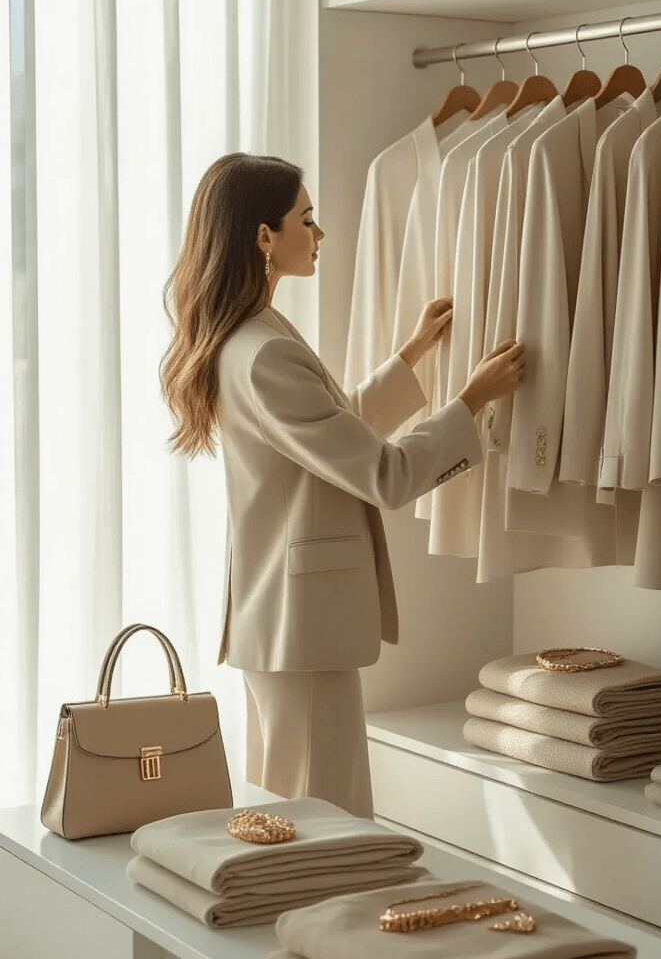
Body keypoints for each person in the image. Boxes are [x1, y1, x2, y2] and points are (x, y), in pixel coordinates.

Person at [161, 152, 524, 818]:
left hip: (284, 628)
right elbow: (384, 475)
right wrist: (471, 401)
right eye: (307, 218)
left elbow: (327, 438)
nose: (320, 233)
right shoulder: (266, 350)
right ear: (265, 237)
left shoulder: (249, 337)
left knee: (291, 821)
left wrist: (410, 357)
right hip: (299, 633)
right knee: (328, 822)